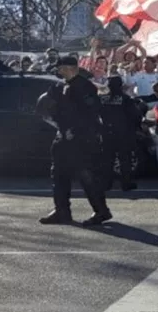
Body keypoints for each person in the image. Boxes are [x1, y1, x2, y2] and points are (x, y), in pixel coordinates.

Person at [38, 57, 112, 226]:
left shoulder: (84, 86)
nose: (59, 71)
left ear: (70, 68)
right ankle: (61, 211)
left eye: (61, 68)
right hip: (63, 135)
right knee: (58, 175)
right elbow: (55, 107)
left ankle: (101, 211)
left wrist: (76, 130)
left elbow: (91, 112)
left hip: (81, 138)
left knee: (86, 175)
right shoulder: (61, 85)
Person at [98, 75, 142, 192]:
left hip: (106, 132)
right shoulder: (126, 99)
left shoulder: (102, 98)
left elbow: (94, 113)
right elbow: (136, 115)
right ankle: (126, 183)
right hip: (122, 133)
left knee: (107, 159)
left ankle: (106, 184)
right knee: (124, 159)